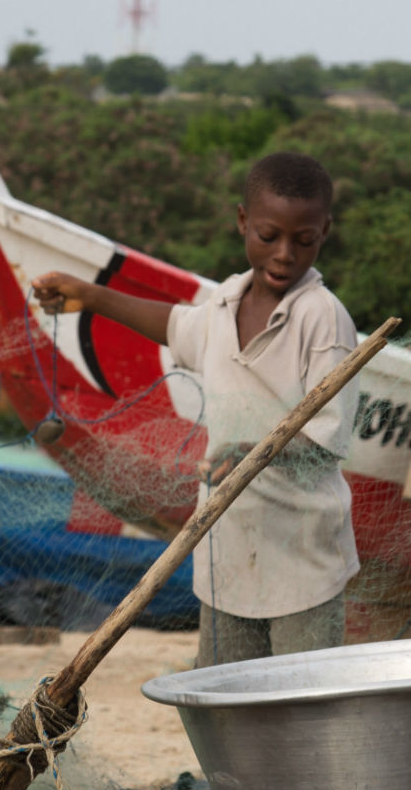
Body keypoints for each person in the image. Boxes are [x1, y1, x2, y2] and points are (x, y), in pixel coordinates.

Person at [31, 152, 359, 666]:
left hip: (303, 562)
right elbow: (175, 325)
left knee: (303, 701)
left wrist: (255, 455)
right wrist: (91, 296)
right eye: (268, 236)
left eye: (305, 240)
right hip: (225, 554)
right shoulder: (226, 304)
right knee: (224, 699)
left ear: (325, 233)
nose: (284, 255)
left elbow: (326, 439)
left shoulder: (323, 319)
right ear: (242, 222)